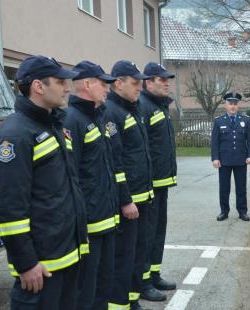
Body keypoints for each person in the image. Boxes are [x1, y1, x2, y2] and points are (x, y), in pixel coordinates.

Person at [0, 55, 88, 309]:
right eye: (60, 81)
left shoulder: (54, 125)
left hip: (67, 255)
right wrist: (26, 263)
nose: (67, 87)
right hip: (41, 268)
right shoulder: (15, 135)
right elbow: (9, 208)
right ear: (38, 86)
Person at [65, 61, 118, 310]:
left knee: (103, 284)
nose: (108, 88)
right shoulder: (72, 120)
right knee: (86, 289)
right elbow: (71, 176)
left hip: (106, 217)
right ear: (87, 84)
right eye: (103, 83)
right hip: (90, 223)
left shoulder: (96, 116)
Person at [104, 60, 153, 310]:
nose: (139, 88)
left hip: (142, 196)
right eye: (135, 83)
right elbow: (116, 162)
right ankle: (119, 303)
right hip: (129, 200)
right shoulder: (111, 113)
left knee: (137, 251)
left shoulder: (132, 108)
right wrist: (125, 199)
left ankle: (132, 299)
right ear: (118, 83)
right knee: (123, 255)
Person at [138, 62, 177, 299]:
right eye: (162, 79)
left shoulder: (159, 106)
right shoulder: (143, 106)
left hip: (161, 183)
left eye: (167, 79)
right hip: (150, 185)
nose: (167, 83)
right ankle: (143, 283)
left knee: (158, 233)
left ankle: (154, 274)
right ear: (148, 82)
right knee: (147, 235)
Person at [211, 92, 250, 222]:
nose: (233, 106)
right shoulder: (219, 121)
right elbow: (215, 142)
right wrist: (215, 158)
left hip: (241, 160)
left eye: (235, 104)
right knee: (224, 188)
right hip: (224, 161)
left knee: (241, 188)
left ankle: (242, 211)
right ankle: (224, 211)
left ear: (238, 106)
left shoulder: (245, 120)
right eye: (230, 104)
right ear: (226, 105)